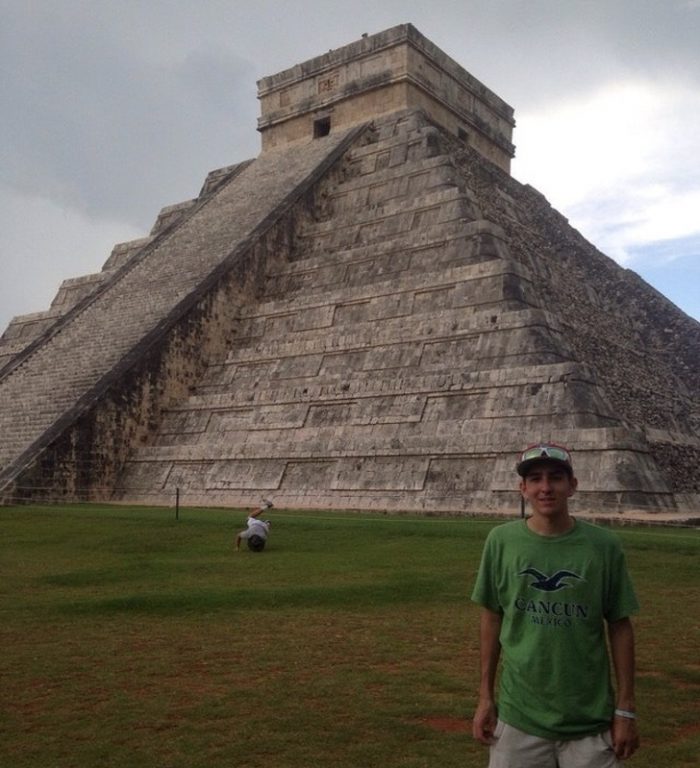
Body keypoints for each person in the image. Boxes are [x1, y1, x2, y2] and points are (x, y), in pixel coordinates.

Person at [471, 443, 640, 767]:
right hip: (518, 717)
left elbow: (620, 626)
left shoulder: (603, 546)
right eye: (535, 479)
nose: (545, 487)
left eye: (556, 478)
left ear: (572, 485)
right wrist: (485, 697)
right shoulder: (500, 541)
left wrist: (625, 708)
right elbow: (492, 617)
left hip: (589, 720)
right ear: (523, 489)